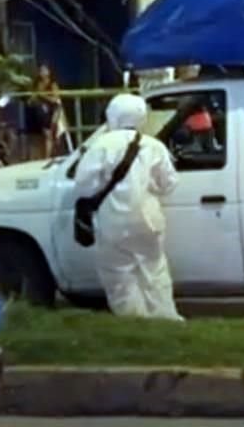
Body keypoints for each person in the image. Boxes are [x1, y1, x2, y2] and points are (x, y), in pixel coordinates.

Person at [74, 93, 182, 321]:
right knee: (155, 272)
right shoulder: (154, 146)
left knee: (119, 276)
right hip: (149, 220)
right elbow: (169, 184)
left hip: (113, 222)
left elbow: (83, 186)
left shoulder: (101, 146)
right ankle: (166, 321)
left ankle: (134, 324)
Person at [28, 64, 61, 159]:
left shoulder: (52, 84)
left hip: (53, 109)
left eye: (45, 70)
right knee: (45, 135)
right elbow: (32, 99)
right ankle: (45, 156)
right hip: (41, 111)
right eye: (41, 70)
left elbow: (55, 99)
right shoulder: (37, 84)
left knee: (52, 133)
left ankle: (51, 154)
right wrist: (33, 98)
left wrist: (43, 95)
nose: (42, 72)